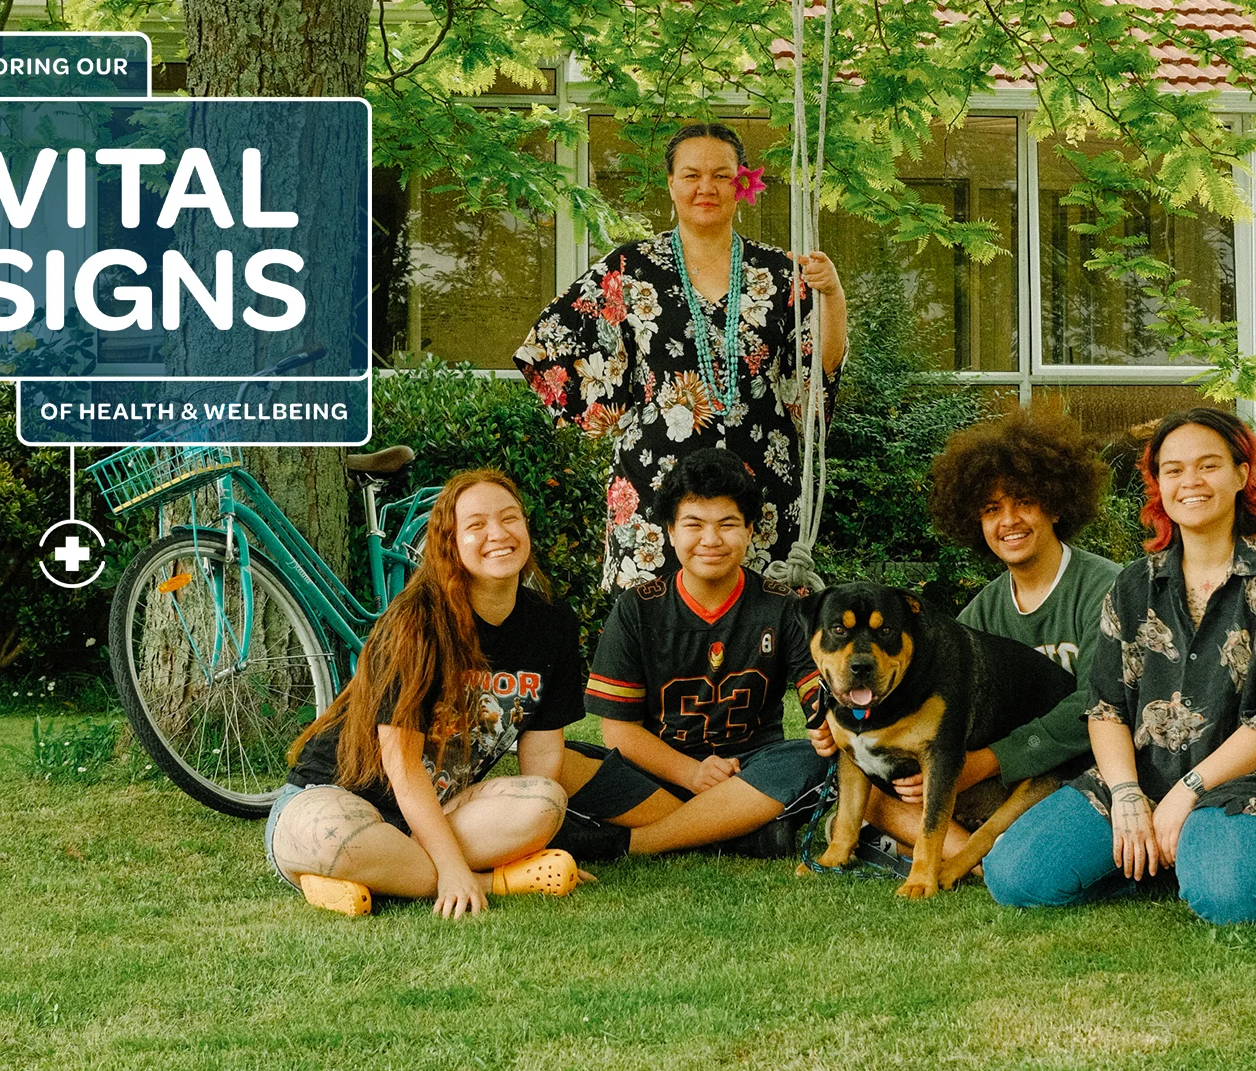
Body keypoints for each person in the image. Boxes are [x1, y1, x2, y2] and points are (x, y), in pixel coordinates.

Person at [981, 408, 1256, 924]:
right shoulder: (1133, 584)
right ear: (1158, 485)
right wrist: (1124, 796)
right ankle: (1164, 862)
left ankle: (1230, 863)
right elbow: (1105, 709)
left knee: (1231, 898)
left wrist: (1187, 792)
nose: (1190, 481)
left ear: (1240, 474)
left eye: (1208, 466)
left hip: (1246, 784)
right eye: (1173, 469)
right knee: (1014, 876)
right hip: (1142, 776)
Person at [515, 121, 849, 590]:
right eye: (691, 175)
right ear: (671, 184)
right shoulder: (630, 269)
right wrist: (615, 412)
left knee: (761, 639)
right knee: (656, 640)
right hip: (655, 485)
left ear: (744, 184)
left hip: (759, 494)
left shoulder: (779, 273)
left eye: (721, 175)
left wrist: (831, 294)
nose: (705, 187)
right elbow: (551, 345)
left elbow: (820, 369)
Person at [266, 470, 594, 919]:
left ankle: (374, 878)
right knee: (334, 839)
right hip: (334, 796)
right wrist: (454, 868)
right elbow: (402, 767)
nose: (497, 534)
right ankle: (493, 880)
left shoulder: (553, 624)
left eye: (509, 518)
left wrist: (541, 835)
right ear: (450, 542)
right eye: (476, 525)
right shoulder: (415, 622)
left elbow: (542, 757)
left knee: (545, 803)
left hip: (438, 813)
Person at [807, 407, 1121, 867]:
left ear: (1056, 504)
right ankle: (967, 852)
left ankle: (971, 854)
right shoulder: (983, 610)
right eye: (992, 509)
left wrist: (991, 761)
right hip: (983, 782)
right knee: (861, 792)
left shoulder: (1107, 589)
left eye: (1023, 502)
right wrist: (848, 730)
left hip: (1079, 773)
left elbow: (1100, 703)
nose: (1008, 520)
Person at [547, 447, 832, 858]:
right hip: (659, 772)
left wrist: (827, 723)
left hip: (751, 771)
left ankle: (639, 842)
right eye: (694, 524)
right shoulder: (637, 609)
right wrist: (692, 772)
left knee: (816, 757)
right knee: (557, 760)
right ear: (670, 530)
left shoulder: (782, 605)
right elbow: (619, 731)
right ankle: (738, 830)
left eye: (728, 524)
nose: (711, 540)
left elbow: (816, 693)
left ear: (751, 530)